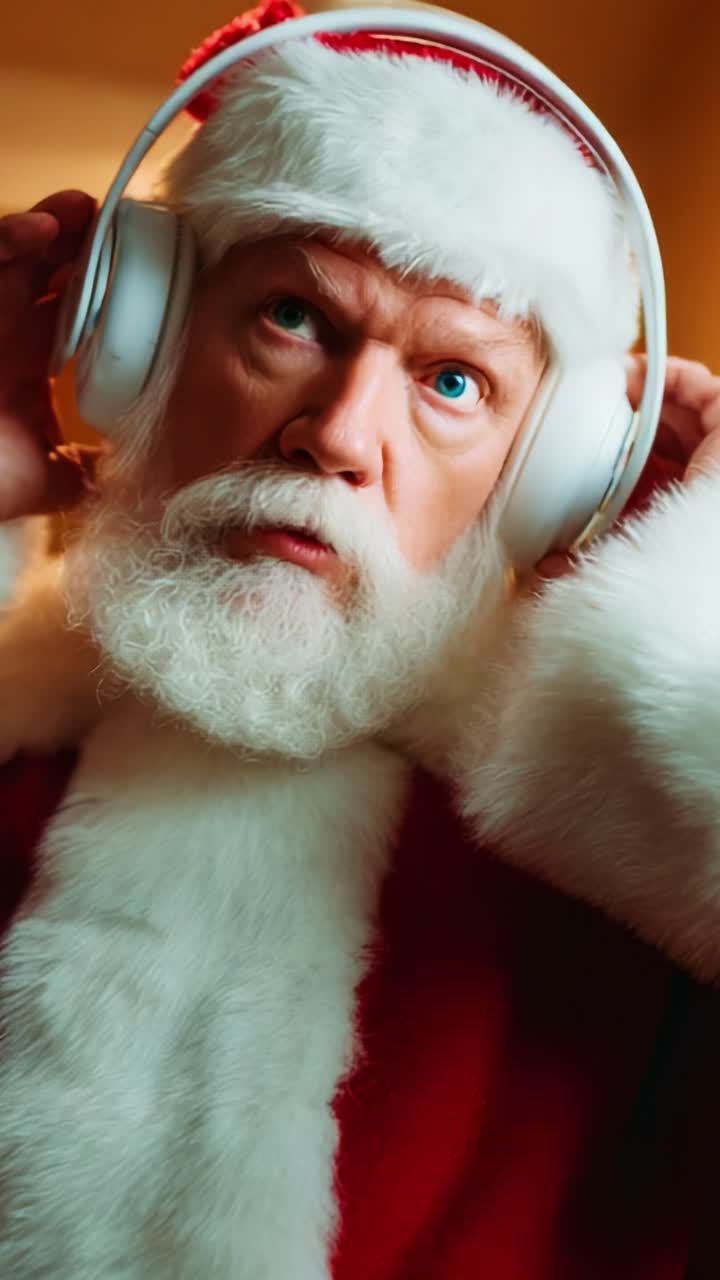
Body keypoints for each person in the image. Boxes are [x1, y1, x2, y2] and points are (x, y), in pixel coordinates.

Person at [1, 3, 720, 1276]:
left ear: (548, 479)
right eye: (293, 319)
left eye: (454, 381)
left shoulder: (630, 894)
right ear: (142, 343)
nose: (337, 434)